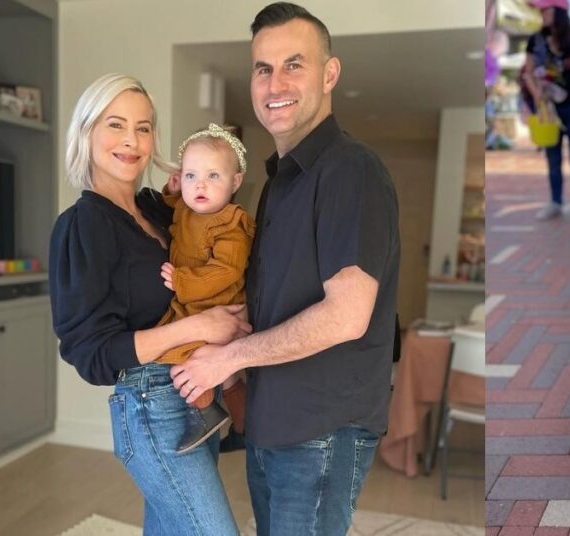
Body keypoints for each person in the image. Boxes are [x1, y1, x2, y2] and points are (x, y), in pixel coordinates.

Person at [168, 3, 401, 534]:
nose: (276, 82)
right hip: (274, 423)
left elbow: (346, 315)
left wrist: (224, 360)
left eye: (294, 64)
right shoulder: (279, 184)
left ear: (330, 73)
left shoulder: (350, 170)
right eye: (262, 68)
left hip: (321, 428)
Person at [50, 73, 250, 534]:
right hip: (151, 406)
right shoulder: (83, 225)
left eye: (143, 127)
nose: (132, 140)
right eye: (115, 125)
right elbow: (91, 354)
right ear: (86, 133)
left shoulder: (158, 210)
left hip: (196, 392)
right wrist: (201, 328)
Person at [155, 123, 255, 454]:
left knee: (187, 361)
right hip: (192, 307)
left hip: (215, 304)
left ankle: (212, 415)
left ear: (235, 182)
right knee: (215, 373)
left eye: (213, 176)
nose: (200, 185)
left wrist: (183, 281)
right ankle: (234, 418)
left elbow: (226, 271)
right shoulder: (187, 208)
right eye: (190, 176)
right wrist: (171, 191)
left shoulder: (232, 222)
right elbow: (173, 207)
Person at [524, 0, 570, 224]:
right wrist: (536, 93)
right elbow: (528, 73)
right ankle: (555, 203)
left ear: (559, 12)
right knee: (552, 159)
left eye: (546, 10)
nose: (542, 14)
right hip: (548, 112)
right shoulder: (536, 42)